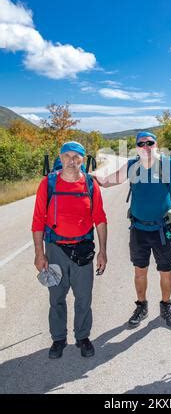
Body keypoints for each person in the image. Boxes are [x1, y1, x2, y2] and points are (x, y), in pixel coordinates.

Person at [95, 131, 171, 329]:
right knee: (140, 271)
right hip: (139, 228)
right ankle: (141, 306)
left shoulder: (167, 164)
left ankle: (165, 306)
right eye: (141, 144)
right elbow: (106, 181)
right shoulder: (131, 165)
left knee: (165, 270)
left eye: (150, 143)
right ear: (136, 147)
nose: (146, 147)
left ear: (156, 145)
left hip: (162, 229)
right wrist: (89, 176)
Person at [32, 141, 107, 359]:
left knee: (84, 297)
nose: (72, 161)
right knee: (56, 297)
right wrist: (39, 252)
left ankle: (82, 337)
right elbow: (38, 221)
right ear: (60, 157)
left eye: (77, 157)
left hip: (82, 249)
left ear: (84, 160)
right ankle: (58, 339)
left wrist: (103, 251)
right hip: (55, 249)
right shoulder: (48, 184)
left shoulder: (91, 185)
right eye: (67, 156)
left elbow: (100, 219)